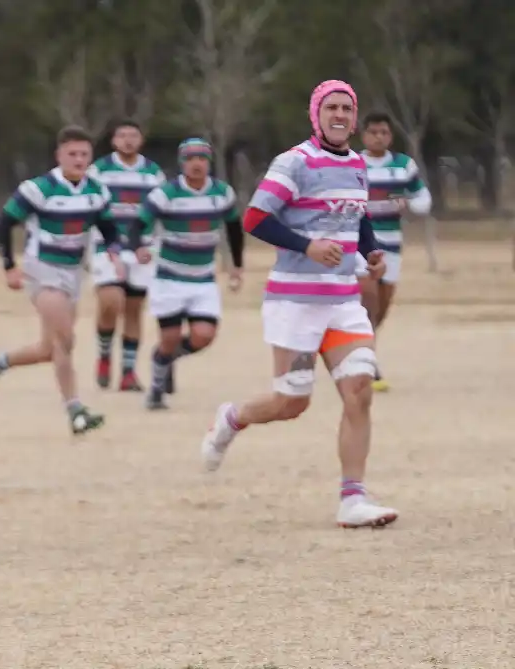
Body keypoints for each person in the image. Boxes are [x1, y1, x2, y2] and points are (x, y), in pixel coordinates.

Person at [200, 80, 398, 528]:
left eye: (347, 107)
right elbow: (254, 218)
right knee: (292, 402)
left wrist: (371, 251)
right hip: (295, 302)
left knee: (360, 390)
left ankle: (353, 499)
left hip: (343, 302)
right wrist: (307, 246)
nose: (340, 114)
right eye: (331, 107)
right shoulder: (294, 162)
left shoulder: (358, 165)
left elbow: (358, 215)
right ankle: (231, 419)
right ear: (317, 114)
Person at [0, 125, 124, 434]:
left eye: (84, 154)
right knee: (65, 339)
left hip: (73, 273)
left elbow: (108, 228)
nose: (79, 159)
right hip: (41, 270)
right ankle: (76, 411)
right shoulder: (39, 189)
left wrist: (114, 253)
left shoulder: (97, 190)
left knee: (49, 348)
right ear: (59, 155)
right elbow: (3, 224)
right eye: (72, 154)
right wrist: (9, 265)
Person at [126, 139, 243, 410]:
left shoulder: (222, 193)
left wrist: (236, 265)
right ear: (182, 163)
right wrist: (138, 247)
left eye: (202, 158)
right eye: (190, 158)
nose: (197, 163)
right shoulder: (166, 194)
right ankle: (156, 390)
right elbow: (137, 224)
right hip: (169, 278)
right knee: (169, 338)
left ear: (209, 162)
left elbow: (234, 228)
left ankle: (164, 360)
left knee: (204, 335)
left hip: (203, 279)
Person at [353, 111, 432, 392]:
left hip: (392, 245)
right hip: (360, 245)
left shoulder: (403, 165)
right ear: (363, 134)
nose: (378, 137)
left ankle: (361, 351)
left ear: (390, 135)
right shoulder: (352, 163)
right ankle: (368, 364)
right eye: (373, 132)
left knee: (382, 306)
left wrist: (408, 203)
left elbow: (424, 199)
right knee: (369, 300)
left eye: (384, 132)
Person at [87, 120, 165, 391]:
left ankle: (128, 373)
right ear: (113, 141)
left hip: (142, 250)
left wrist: (152, 247)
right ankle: (104, 355)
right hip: (106, 247)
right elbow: (90, 208)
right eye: (122, 135)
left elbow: (160, 212)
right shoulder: (99, 171)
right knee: (111, 301)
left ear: (141, 140)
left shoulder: (153, 173)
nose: (128, 140)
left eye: (133, 135)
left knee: (133, 309)